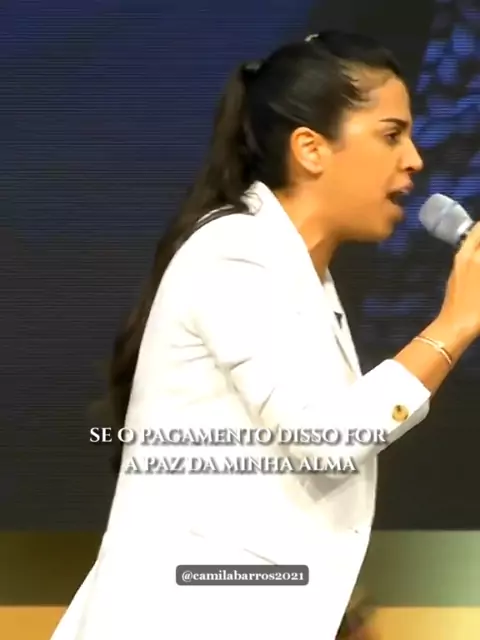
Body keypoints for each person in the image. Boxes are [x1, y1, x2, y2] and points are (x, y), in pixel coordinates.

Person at [51, 30, 480, 640]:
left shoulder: (297, 271)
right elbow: (326, 440)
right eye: (391, 135)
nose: (414, 158)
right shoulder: (237, 252)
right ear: (311, 149)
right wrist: (453, 326)